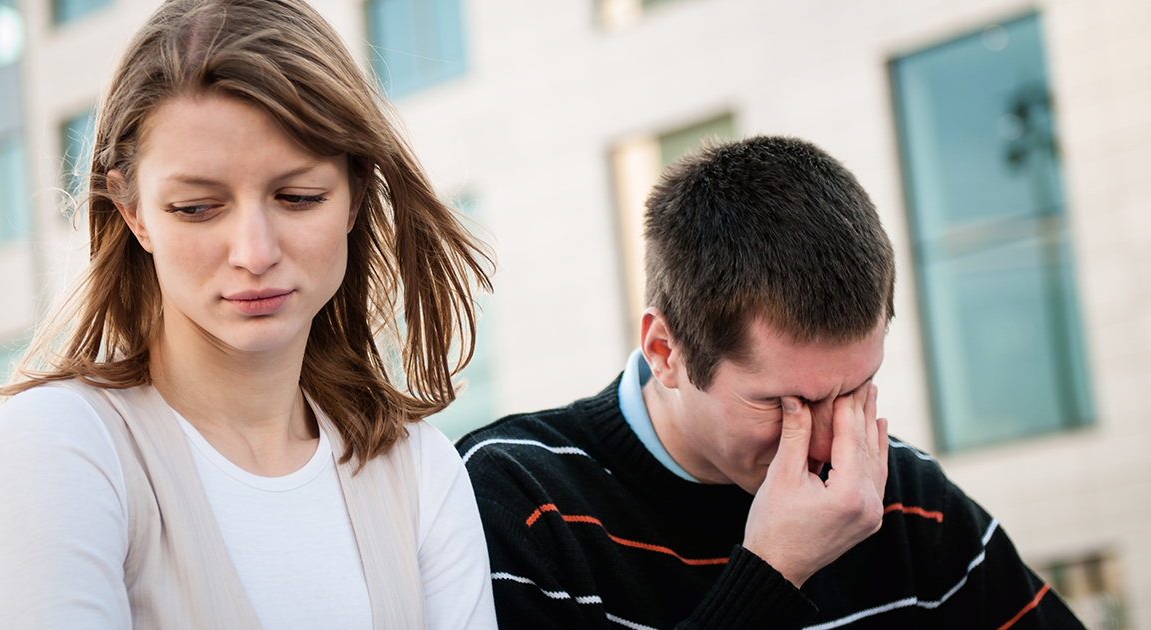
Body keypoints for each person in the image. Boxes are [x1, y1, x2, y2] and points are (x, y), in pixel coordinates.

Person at [0, 0, 497, 628]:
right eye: (197, 208)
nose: (255, 253)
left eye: (299, 198)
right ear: (134, 214)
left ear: (354, 197)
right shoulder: (59, 444)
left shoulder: (420, 473)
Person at [457, 137, 1084, 629]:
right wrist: (773, 572)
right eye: (787, 404)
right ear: (665, 351)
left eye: (856, 390)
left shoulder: (906, 501)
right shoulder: (515, 500)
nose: (825, 445)